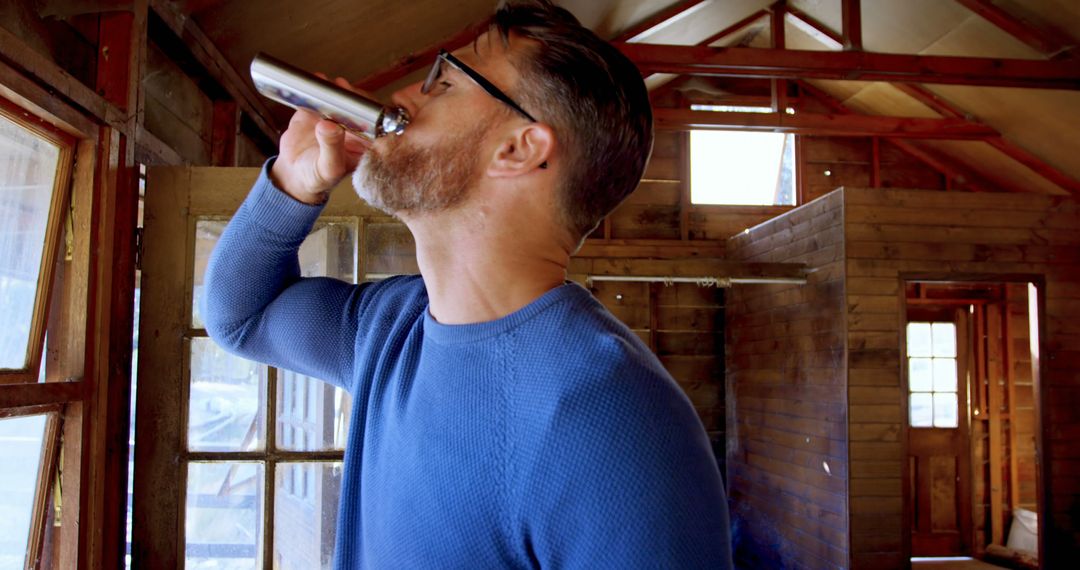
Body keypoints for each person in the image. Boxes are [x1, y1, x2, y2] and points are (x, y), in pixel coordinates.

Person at [204, 1, 732, 567]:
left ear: (518, 148)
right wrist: (290, 182)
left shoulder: (616, 424)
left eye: (444, 83)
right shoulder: (390, 328)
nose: (403, 96)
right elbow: (243, 316)